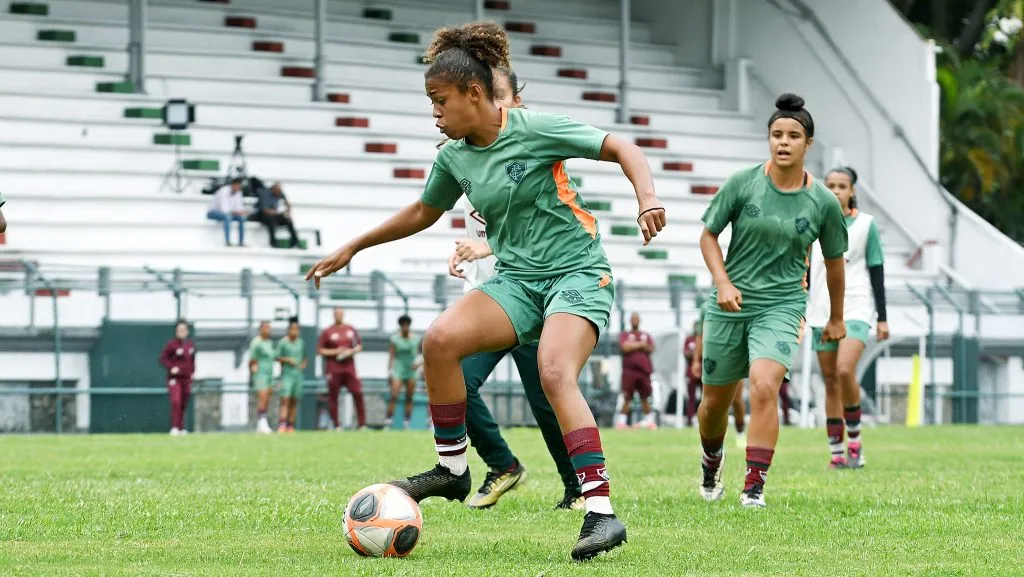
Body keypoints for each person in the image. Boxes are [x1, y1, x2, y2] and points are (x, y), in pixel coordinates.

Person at [305, 21, 665, 560]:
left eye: (439, 100)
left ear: (474, 94)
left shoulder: (534, 128)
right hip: (517, 281)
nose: (435, 112)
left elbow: (622, 146)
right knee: (439, 340)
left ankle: (600, 513)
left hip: (577, 273)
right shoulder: (453, 156)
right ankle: (452, 470)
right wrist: (355, 246)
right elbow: (424, 212)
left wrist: (647, 198)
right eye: (431, 101)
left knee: (553, 372)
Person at [696, 93, 847, 509]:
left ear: (808, 144)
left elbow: (834, 264)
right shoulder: (742, 183)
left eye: (793, 135)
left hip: (782, 306)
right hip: (730, 304)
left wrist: (835, 317)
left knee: (764, 385)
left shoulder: (823, 203)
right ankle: (711, 459)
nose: (784, 142)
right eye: (777, 134)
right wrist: (723, 283)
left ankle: (754, 486)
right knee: (714, 404)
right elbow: (708, 236)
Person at [446, 66, 584, 511]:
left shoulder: (536, 148)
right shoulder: (464, 155)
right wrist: (469, 255)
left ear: (512, 103)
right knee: (457, 381)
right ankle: (503, 464)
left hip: (538, 292)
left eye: (502, 98)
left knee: (547, 395)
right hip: (493, 296)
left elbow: (537, 228)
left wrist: (483, 248)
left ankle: (577, 486)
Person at [808, 166, 889, 469]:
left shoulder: (866, 225)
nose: (836, 190)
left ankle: (855, 441)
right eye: (830, 185)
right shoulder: (812, 223)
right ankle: (836, 453)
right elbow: (805, 269)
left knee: (844, 370)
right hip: (820, 309)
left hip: (856, 306)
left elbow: (877, 270)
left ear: (852, 190)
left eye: (842, 186)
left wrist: (882, 317)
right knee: (829, 381)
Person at [687, 306, 746, 445]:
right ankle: (711, 445)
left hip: (736, 354)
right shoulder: (706, 307)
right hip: (714, 356)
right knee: (712, 401)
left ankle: (740, 431)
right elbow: (700, 336)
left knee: (736, 399)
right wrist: (696, 361)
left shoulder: (742, 299)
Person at [318, 307, 366, 430]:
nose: (338, 316)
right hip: (334, 367)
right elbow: (320, 350)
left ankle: (362, 425)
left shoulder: (350, 329)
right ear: (333, 315)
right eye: (336, 314)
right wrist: (336, 351)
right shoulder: (327, 331)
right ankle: (337, 425)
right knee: (333, 395)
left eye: (340, 313)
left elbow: (359, 346)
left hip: (349, 367)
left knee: (357, 392)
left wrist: (351, 351)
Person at [616, 312, 656, 430]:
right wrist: (640, 345)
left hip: (644, 371)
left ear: (639, 320)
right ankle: (622, 423)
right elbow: (624, 347)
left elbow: (651, 348)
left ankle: (650, 422)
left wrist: (634, 345)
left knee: (645, 397)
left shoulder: (646, 335)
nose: (634, 321)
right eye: (632, 319)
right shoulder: (625, 335)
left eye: (636, 319)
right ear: (630, 321)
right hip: (629, 371)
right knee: (627, 397)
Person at [385, 315, 422, 429]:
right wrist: (390, 372)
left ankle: (407, 422)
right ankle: (388, 421)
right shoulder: (394, 339)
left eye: (407, 324)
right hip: (398, 368)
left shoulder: (416, 339)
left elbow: (424, 353)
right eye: (403, 325)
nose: (405, 327)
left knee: (409, 396)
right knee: (394, 394)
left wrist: (418, 363)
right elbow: (391, 356)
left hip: (411, 370)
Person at [160, 320, 196, 436]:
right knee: (176, 401)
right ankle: (174, 427)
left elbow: (192, 361)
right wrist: (171, 367)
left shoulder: (190, 345)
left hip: (186, 378)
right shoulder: (172, 345)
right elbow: (163, 359)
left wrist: (192, 373)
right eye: (179, 330)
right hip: (175, 379)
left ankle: (181, 428)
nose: (182, 332)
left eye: (184, 330)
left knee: (183, 403)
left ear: (187, 331)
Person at [276, 317, 307, 432]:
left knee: (294, 400)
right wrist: (288, 360)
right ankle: (282, 423)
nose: (295, 331)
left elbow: (305, 358)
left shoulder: (301, 343)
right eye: (292, 329)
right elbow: (277, 357)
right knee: (285, 399)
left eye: (297, 329)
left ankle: (290, 425)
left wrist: (303, 365)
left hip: (297, 375)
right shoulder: (283, 343)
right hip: (287, 375)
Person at [251, 181, 300, 248]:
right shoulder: (264, 193)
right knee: (271, 220)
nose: (279, 194)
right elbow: (265, 210)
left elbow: (288, 205)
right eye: (278, 191)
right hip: (263, 215)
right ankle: (273, 243)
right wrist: (278, 213)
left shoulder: (280, 193)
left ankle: (295, 242)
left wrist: (287, 211)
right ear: (273, 189)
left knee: (288, 219)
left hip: (275, 214)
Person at [248, 321, 276, 433]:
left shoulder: (269, 342)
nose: (268, 330)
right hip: (261, 374)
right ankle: (261, 422)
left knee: (268, 398)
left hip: (270, 373)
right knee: (262, 397)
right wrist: (254, 373)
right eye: (266, 328)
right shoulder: (256, 342)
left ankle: (264, 421)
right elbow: (252, 360)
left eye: (269, 328)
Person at [207, 177, 247, 246]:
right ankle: (227, 242)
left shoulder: (239, 193)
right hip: (213, 212)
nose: (238, 188)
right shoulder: (223, 191)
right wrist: (237, 212)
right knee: (228, 217)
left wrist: (242, 212)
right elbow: (224, 210)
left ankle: (241, 242)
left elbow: (239, 207)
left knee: (242, 218)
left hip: (229, 213)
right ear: (233, 184)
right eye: (237, 186)